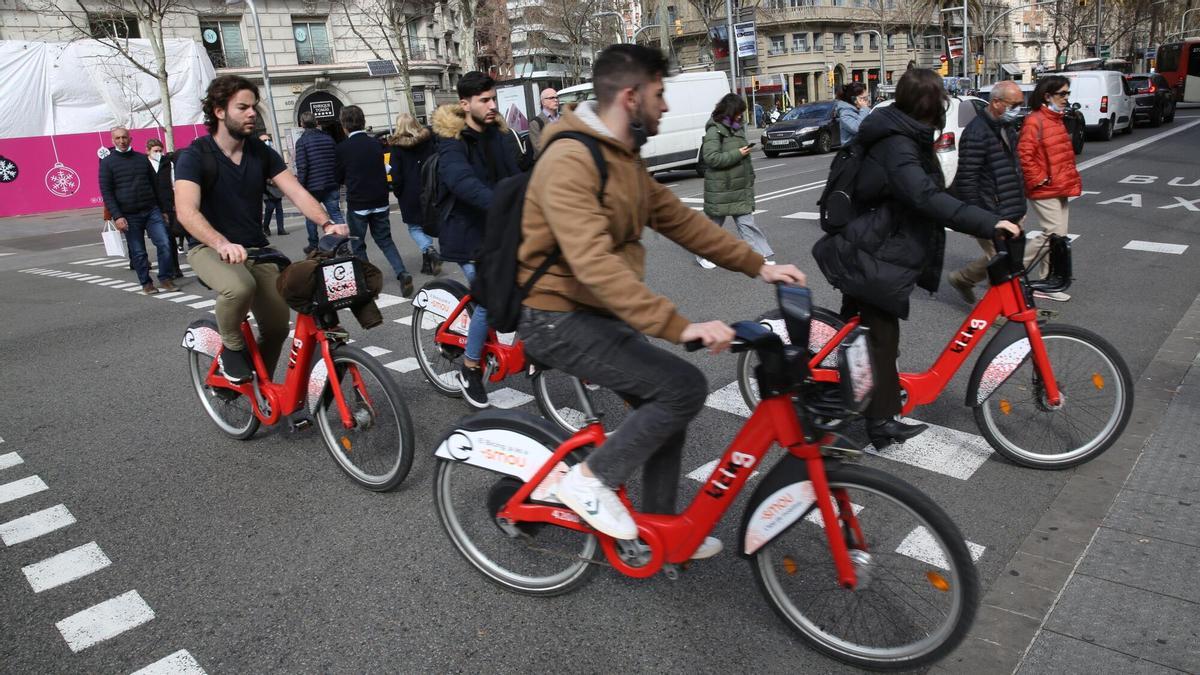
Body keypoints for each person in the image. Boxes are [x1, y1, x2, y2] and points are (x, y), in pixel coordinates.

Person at [517, 45, 806, 551]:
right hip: (555, 316)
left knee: (669, 398)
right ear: (630, 97)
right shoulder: (569, 158)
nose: (666, 105)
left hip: (595, 310)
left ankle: (658, 532)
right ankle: (587, 482)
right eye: (659, 93)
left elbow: (680, 219)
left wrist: (759, 265)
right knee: (681, 388)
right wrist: (679, 325)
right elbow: (593, 262)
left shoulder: (618, 155)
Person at [811, 68, 1021, 451]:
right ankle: (879, 423)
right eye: (939, 98)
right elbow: (924, 196)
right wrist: (988, 222)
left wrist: (988, 210)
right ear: (929, 104)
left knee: (865, 335)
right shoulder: (896, 143)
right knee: (880, 339)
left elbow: (937, 188)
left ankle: (856, 402)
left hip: (872, 244)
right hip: (869, 252)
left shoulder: (904, 132)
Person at [175, 75, 348, 384]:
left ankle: (261, 385)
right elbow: (186, 211)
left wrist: (326, 222)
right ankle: (231, 347)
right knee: (239, 287)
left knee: (278, 326)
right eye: (242, 107)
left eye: (253, 107)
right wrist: (220, 242)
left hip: (256, 248)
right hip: (209, 248)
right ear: (218, 111)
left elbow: (296, 191)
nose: (252, 113)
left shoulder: (260, 152)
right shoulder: (195, 155)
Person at [433, 71, 521, 409]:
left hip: (497, 227)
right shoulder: (451, 142)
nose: (492, 106)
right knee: (490, 295)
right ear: (464, 103)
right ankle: (470, 368)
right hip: (466, 233)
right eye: (484, 100)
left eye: (493, 99)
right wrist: (501, 203)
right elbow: (462, 182)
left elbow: (514, 175)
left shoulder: (498, 136)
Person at [947, 80, 1027, 304]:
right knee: (1001, 261)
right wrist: (978, 218)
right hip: (989, 210)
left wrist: (1020, 205)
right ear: (996, 102)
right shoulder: (976, 132)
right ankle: (1001, 308)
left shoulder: (1006, 127)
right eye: (1014, 104)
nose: (1018, 109)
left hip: (1009, 207)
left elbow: (1013, 170)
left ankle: (962, 278)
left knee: (1008, 256)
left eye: (1020, 104)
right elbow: (967, 178)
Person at [335, 105, 414, 297]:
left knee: (358, 243)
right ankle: (402, 273)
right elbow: (386, 168)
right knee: (385, 240)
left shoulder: (342, 149)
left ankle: (369, 283)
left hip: (358, 203)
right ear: (363, 121)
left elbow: (338, 177)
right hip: (380, 200)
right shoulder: (377, 144)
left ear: (344, 126)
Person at [1018, 75, 1081, 302]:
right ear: (1047, 96)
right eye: (1062, 94)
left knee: (1058, 238)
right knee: (1052, 235)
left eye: (1067, 93)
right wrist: (1041, 179)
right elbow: (1025, 155)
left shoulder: (1055, 118)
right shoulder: (1036, 120)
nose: (1066, 98)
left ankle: (1046, 281)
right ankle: (1011, 271)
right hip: (1046, 188)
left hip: (1059, 186)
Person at [696, 93, 775, 270]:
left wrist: (750, 174)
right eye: (739, 112)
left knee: (747, 223)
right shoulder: (714, 130)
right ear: (731, 111)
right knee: (714, 226)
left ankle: (758, 256)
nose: (741, 115)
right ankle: (702, 255)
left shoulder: (736, 127)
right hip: (722, 188)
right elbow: (711, 158)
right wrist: (738, 153)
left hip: (738, 186)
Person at [99, 126, 178, 294]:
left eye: (124, 137)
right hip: (128, 215)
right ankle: (146, 283)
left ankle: (165, 278)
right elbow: (107, 192)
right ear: (113, 140)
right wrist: (117, 216)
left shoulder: (142, 159)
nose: (121, 141)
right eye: (118, 138)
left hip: (151, 210)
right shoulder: (107, 163)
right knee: (139, 252)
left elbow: (155, 185)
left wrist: (163, 210)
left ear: (130, 138)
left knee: (164, 243)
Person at [387, 113, 442, 276]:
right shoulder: (428, 140)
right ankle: (428, 262)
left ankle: (429, 250)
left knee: (414, 227)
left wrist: (397, 191)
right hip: (430, 187)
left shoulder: (396, 147)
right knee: (426, 222)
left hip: (409, 192)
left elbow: (396, 174)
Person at [293, 111, 343, 254]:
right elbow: (336, 160)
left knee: (311, 216)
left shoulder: (301, 142)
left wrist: (301, 187)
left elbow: (302, 166)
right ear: (316, 123)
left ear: (302, 124)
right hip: (331, 182)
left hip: (312, 186)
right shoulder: (328, 138)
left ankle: (313, 244)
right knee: (336, 213)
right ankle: (342, 244)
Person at [145, 138, 185, 277]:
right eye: (155, 151)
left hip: (168, 205)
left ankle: (175, 268)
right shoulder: (145, 165)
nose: (159, 153)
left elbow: (175, 184)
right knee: (162, 240)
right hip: (153, 206)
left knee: (170, 238)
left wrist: (176, 203)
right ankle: (167, 270)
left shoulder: (169, 164)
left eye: (160, 150)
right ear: (148, 151)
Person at [258, 133, 288, 238]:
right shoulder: (257, 156)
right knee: (270, 207)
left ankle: (281, 228)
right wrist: (269, 181)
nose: (267, 142)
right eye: (264, 141)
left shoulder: (274, 154)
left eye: (268, 140)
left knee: (279, 208)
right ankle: (265, 226)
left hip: (276, 186)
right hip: (266, 187)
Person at [835, 82, 871, 146]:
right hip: (854, 152)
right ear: (854, 99)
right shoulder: (845, 114)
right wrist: (864, 108)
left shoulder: (862, 111)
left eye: (867, 97)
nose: (868, 100)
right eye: (864, 98)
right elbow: (858, 129)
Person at [527, 87, 560, 155]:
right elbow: (539, 149)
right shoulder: (535, 123)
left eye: (557, 97)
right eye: (551, 98)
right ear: (543, 102)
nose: (556, 100)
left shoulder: (564, 118)